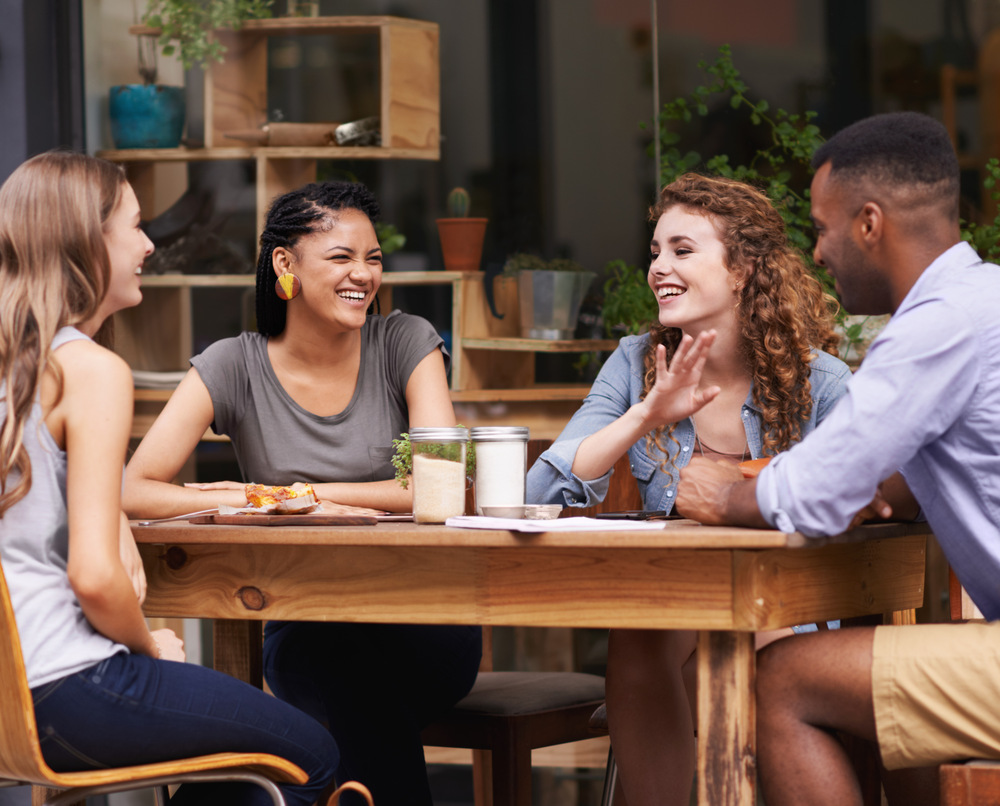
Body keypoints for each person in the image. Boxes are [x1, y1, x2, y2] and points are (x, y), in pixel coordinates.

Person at [675, 111, 1000, 806]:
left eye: (821, 229)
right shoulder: (987, 299)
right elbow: (906, 477)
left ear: (870, 224)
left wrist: (719, 496)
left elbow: (816, 493)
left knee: (780, 680)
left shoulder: (936, 325)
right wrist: (885, 484)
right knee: (870, 683)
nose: (815, 253)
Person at [123, 180, 482, 806]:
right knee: (326, 661)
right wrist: (251, 499)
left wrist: (305, 494)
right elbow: (134, 488)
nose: (363, 275)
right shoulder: (233, 364)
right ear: (285, 265)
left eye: (372, 259)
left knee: (330, 674)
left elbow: (442, 483)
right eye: (341, 257)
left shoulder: (405, 342)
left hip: (424, 615)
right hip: (303, 621)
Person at [0, 151, 337, 806]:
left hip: (11, 694)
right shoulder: (91, 371)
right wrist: (147, 647)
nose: (149, 245)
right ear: (87, 242)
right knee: (311, 755)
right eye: (134, 226)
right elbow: (94, 576)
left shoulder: (14, 366)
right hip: (67, 683)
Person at [525, 173, 853, 806]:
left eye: (682, 250)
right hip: (676, 604)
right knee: (639, 634)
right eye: (655, 251)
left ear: (741, 270)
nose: (658, 268)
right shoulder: (635, 361)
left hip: (784, 608)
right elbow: (544, 487)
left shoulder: (822, 383)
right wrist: (647, 413)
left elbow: (854, 506)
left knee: (755, 646)